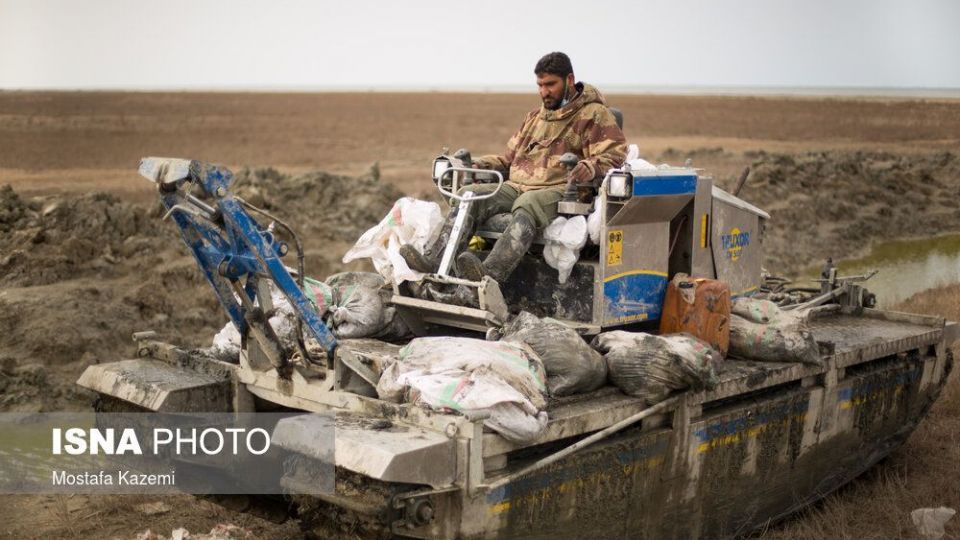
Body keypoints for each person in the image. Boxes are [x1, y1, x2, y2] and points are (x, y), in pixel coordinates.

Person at [400, 51, 627, 285]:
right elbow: (508, 159)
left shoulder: (595, 114)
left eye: (550, 85)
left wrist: (590, 166)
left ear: (569, 80)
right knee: (469, 195)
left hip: (561, 189)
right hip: (517, 185)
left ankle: (489, 274)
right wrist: (479, 165)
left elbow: (615, 154)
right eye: (539, 85)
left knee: (527, 203)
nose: (543, 92)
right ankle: (436, 260)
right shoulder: (534, 117)